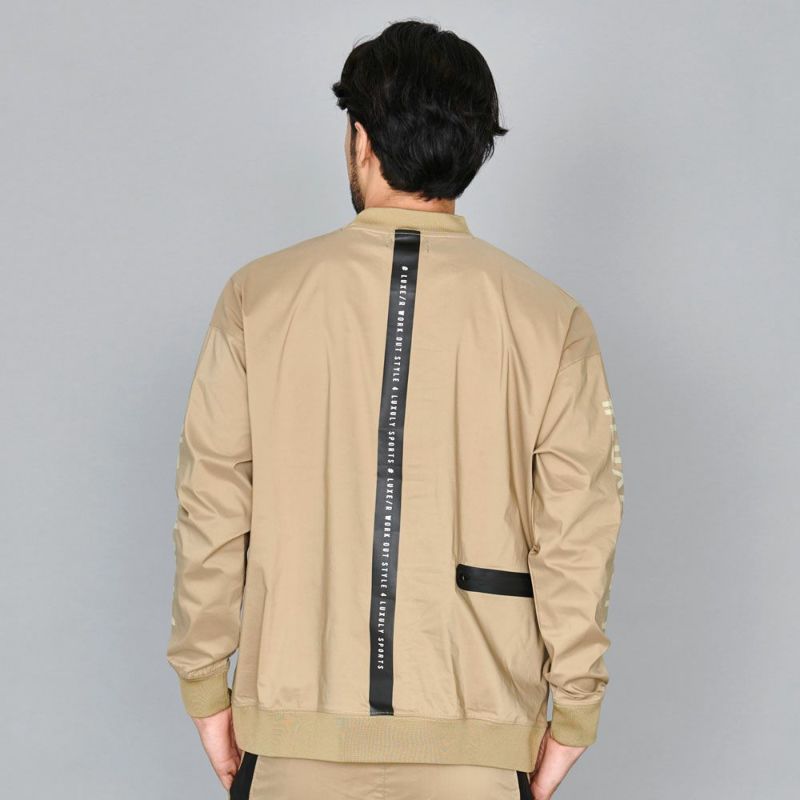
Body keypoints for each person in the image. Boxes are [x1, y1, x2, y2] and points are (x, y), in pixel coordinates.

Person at [166, 19, 625, 800]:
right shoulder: (551, 319)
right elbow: (578, 532)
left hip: (291, 735)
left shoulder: (258, 298)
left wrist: (205, 685)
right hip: (478, 738)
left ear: (360, 140)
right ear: (473, 150)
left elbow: (211, 505)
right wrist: (575, 711)